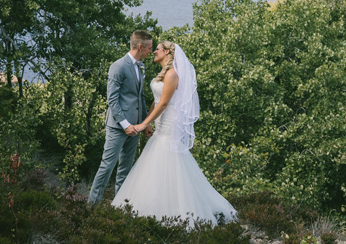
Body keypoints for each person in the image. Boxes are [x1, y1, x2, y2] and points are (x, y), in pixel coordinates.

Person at [111, 41, 237, 228]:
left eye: (158, 49)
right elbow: (157, 101)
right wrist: (148, 123)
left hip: (169, 126)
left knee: (169, 164)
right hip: (159, 126)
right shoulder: (163, 74)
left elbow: (164, 104)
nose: (154, 51)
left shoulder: (172, 75)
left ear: (167, 52)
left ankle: (172, 214)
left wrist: (143, 124)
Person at [88, 30, 154, 205]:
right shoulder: (118, 66)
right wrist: (125, 124)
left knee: (126, 170)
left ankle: (120, 209)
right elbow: (112, 100)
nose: (151, 52)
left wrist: (145, 123)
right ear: (140, 47)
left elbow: (140, 96)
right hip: (118, 127)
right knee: (107, 167)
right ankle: (90, 208)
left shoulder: (141, 66)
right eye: (149, 48)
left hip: (136, 127)